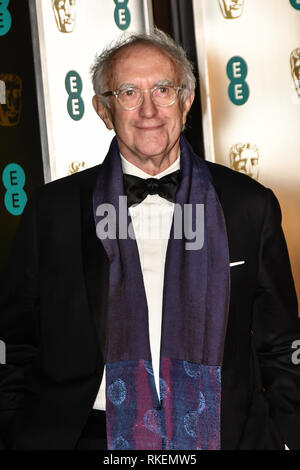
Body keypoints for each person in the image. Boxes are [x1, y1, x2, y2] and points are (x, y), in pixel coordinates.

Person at [0, 29, 300, 451]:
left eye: (163, 89)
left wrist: (284, 435)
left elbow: (282, 341)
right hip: (86, 436)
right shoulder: (52, 211)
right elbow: (14, 342)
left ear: (187, 100)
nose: (148, 110)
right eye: (127, 92)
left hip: (223, 437)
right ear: (104, 110)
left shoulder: (248, 205)